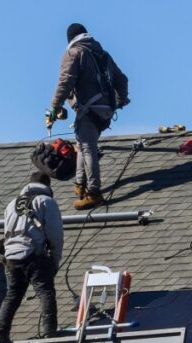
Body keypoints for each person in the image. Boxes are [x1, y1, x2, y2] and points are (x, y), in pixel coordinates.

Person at [46, 23, 130, 210]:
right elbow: (122, 79)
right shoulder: (102, 54)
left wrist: (54, 107)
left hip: (89, 110)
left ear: (70, 39)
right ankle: (79, 184)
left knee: (87, 148)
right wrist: (121, 99)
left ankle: (93, 193)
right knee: (82, 145)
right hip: (106, 111)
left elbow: (66, 81)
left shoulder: (74, 53)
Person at [0, 172, 64, 343]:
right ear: (48, 187)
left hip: (10, 258)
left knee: (12, 295)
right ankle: (49, 333)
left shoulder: (11, 205)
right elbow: (55, 236)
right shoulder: (45, 202)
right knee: (45, 292)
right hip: (33, 254)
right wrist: (54, 262)